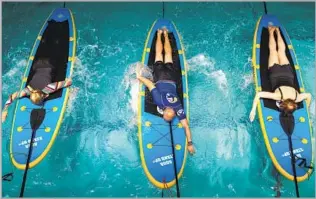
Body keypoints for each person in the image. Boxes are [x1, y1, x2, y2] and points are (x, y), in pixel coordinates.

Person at [137, 29, 195, 155]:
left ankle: (162, 34)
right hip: (161, 77)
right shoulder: (160, 101)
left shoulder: (178, 108)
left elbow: (186, 126)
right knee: (159, 55)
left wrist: (190, 143)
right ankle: (160, 34)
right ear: (169, 113)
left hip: (171, 78)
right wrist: (140, 78)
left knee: (167, 56)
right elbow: (150, 84)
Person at [249, 26, 312, 122]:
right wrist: (253, 110)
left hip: (287, 72)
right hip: (275, 72)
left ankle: (277, 31)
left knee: (281, 51)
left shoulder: (297, 97)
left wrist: (307, 107)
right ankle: (271, 32)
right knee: (273, 51)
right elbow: (259, 94)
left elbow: (308, 96)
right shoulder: (278, 96)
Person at [2, 58, 72, 123]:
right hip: (37, 65)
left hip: (49, 64)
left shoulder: (48, 88)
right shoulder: (28, 90)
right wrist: (4, 110)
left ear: (45, 95)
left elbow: (68, 82)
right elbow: (12, 96)